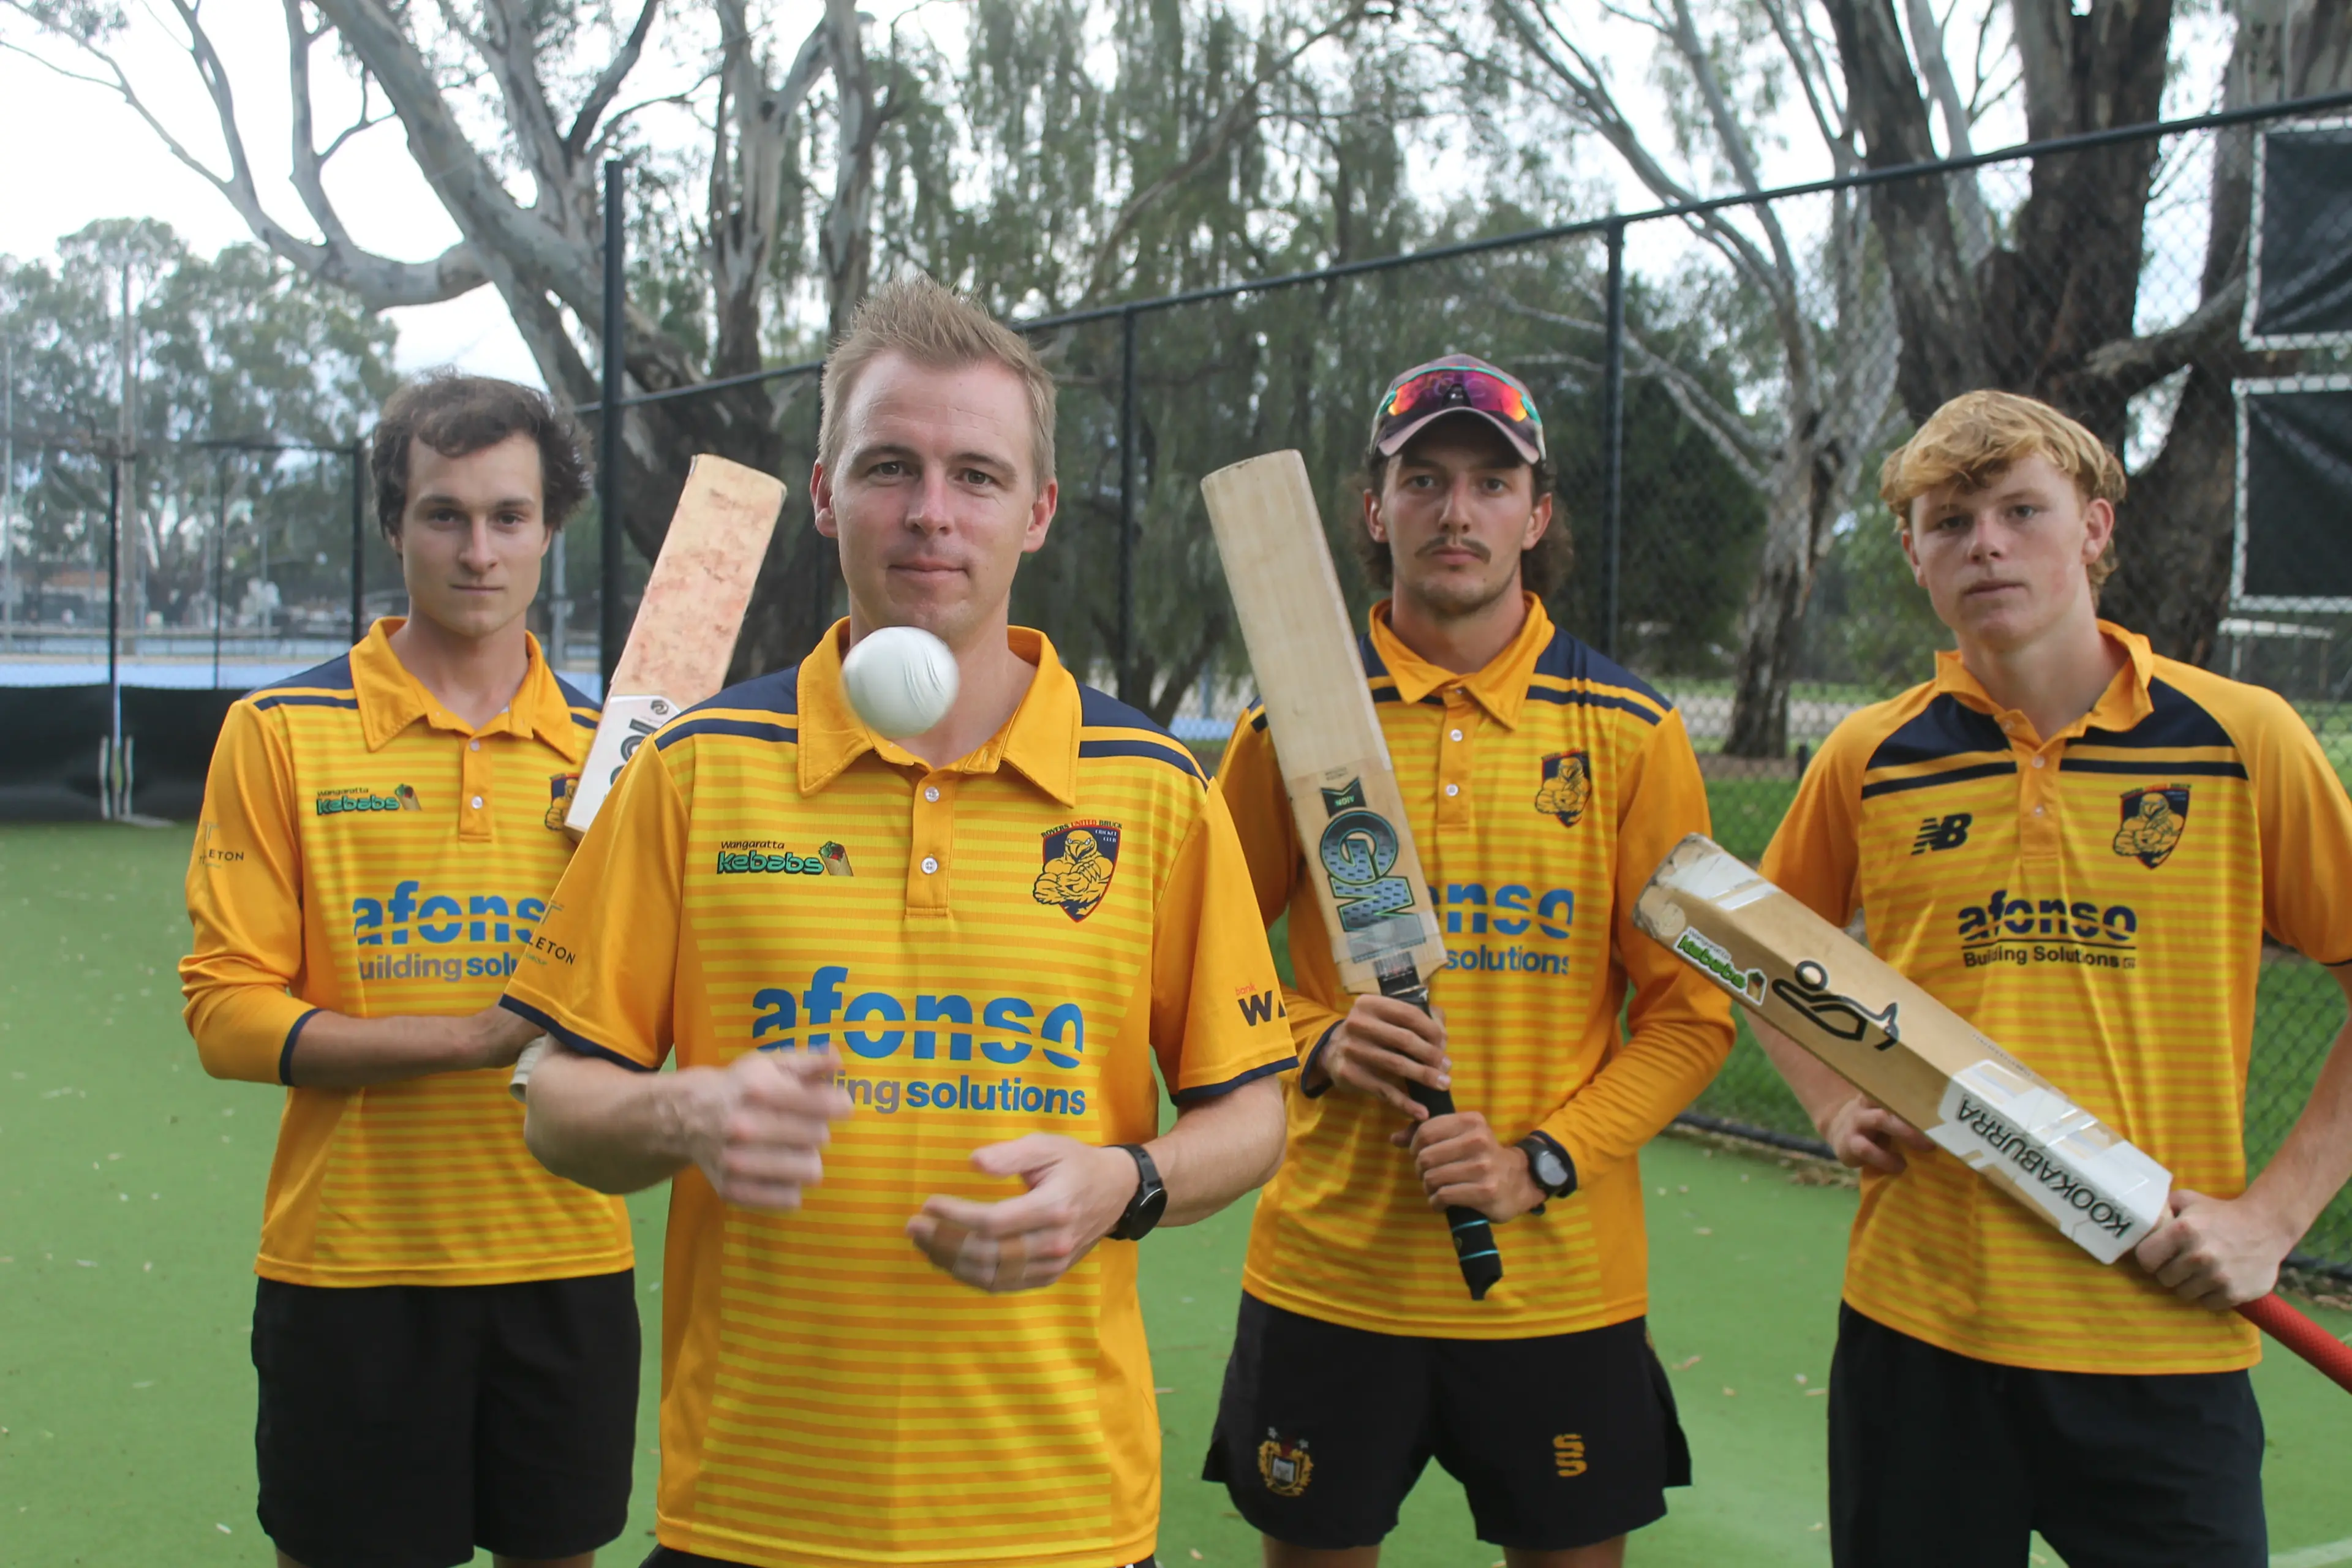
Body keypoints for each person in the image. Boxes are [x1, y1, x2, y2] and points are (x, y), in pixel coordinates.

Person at [502, 276, 1294, 1568]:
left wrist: (1128, 1182)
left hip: (1057, 1520)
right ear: (823, 494)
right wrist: (681, 1110)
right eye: (889, 466)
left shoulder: (1151, 788)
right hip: (756, 1514)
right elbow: (553, 1098)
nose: (932, 513)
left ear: (1036, 511)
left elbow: (1251, 1111)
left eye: (977, 474)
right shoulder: (697, 768)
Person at [1751, 390, 2352, 1567]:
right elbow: (1763, 952)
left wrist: (2273, 1218)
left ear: (2093, 528)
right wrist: (1831, 1101)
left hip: (2162, 1338)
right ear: (1914, 553)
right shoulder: (1870, 755)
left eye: (2022, 510)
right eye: (1949, 520)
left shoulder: (2243, 737)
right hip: (1920, 1333)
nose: (1985, 544)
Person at [1200, 355, 1736, 1568]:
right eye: (1425, 478)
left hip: (1556, 1283)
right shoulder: (1291, 724)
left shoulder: (1631, 732)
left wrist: (1539, 1159)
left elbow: (1691, 1014)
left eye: (1493, 482)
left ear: (1535, 515)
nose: (1457, 509)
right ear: (1373, 508)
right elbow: (1202, 973)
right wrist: (1318, 1039)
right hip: (1332, 1271)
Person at [179, 372, 639, 1568]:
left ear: (552, 527)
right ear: (394, 524)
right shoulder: (278, 731)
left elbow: (664, 1020)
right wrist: (478, 1036)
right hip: (352, 1267)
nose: (477, 549)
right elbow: (227, 1013)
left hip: (567, 1260)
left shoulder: (624, 759)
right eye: (443, 513)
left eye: (508, 515)